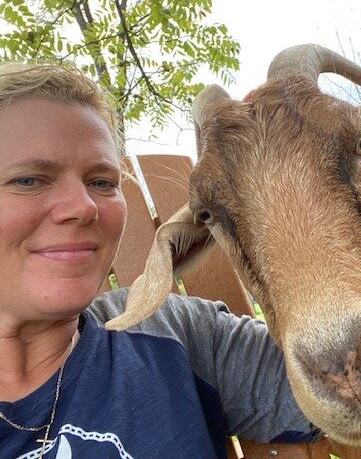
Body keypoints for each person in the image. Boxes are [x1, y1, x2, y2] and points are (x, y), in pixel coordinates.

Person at [0, 63, 319, 459]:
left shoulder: (171, 333)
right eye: (28, 180)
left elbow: (350, 382)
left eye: (102, 182)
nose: (83, 207)